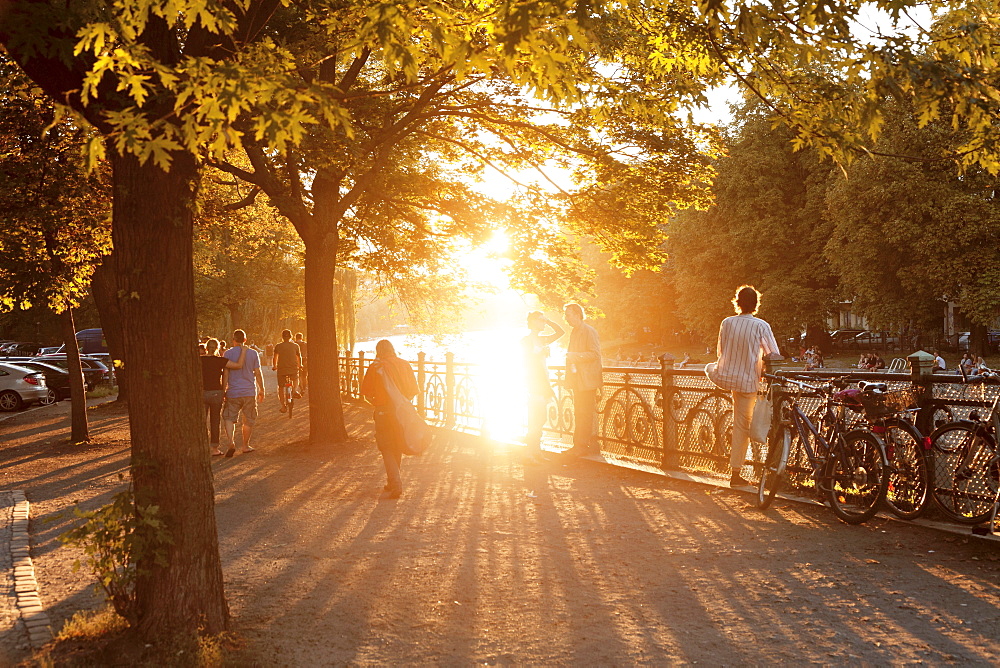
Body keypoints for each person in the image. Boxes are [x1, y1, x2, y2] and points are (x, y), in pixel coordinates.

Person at [705, 285, 781, 488]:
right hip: (748, 381)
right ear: (756, 303)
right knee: (744, 425)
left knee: (739, 422)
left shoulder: (727, 323)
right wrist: (763, 365)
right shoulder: (761, 325)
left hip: (729, 378)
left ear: (737, 302)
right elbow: (773, 354)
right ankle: (739, 473)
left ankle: (737, 472)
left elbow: (720, 352)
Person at [360, 340, 419, 498]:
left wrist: (376, 403)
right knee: (398, 444)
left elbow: (365, 392)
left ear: (378, 351)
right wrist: (403, 403)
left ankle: (396, 483)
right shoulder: (405, 364)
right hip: (401, 412)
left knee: (386, 447)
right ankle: (392, 481)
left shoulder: (375, 366)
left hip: (383, 412)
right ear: (393, 349)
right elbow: (414, 390)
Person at [522, 311, 565, 464]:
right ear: (533, 321)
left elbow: (561, 332)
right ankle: (528, 454)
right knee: (536, 418)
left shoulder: (542, 339)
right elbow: (525, 360)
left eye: (544, 320)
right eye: (540, 320)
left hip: (543, 382)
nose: (543, 323)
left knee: (541, 419)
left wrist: (549, 320)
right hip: (534, 383)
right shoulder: (526, 341)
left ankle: (536, 452)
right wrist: (540, 352)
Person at [563, 302, 603, 457]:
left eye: (568, 314)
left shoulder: (589, 331)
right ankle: (577, 445)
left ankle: (582, 446)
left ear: (577, 314)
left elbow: (595, 354)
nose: (566, 318)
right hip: (578, 380)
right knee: (579, 412)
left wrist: (575, 357)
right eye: (565, 315)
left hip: (587, 381)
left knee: (584, 413)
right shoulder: (575, 331)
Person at [221, 329, 265, 457]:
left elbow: (226, 373)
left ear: (233, 339)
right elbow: (257, 372)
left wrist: (224, 390)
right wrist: (262, 388)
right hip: (249, 391)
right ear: (245, 340)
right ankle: (245, 445)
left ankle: (231, 442)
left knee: (229, 417)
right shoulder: (253, 353)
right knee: (248, 419)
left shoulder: (227, 353)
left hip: (233, 392)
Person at [201, 339, 246, 456]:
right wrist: (243, 351)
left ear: (206, 348)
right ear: (217, 348)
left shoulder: (199, 360)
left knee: (201, 421)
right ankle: (215, 449)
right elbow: (238, 365)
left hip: (202, 393)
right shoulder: (220, 361)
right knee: (215, 421)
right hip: (216, 392)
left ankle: (202, 446)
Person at [271, 329, 302, 412]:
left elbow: (275, 357)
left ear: (282, 337)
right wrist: (300, 365)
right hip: (293, 369)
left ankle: (283, 406)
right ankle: (295, 390)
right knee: (296, 378)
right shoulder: (295, 346)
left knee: (281, 387)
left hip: (281, 369)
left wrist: (274, 366)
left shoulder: (278, 346)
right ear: (291, 336)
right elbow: (299, 357)